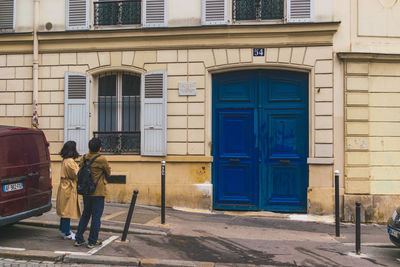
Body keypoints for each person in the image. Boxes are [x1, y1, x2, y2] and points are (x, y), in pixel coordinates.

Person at [74, 137, 111, 248]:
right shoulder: (102, 159)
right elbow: (108, 173)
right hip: (98, 192)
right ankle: (92, 241)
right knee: (96, 217)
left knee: (85, 215)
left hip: (86, 191)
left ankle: (79, 238)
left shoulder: (84, 158)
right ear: (99, 148)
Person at [56, 141, 81, 240]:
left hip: (65, 186)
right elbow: (76, 174)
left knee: (64, 210)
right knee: (67, 210)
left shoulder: (65, 160)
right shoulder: (70, 161)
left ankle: (64, 230)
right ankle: (66, 232)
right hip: (69, 187)